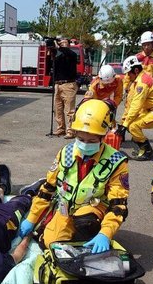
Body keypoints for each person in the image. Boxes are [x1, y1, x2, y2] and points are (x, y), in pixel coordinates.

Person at [19, 99, 130, 253]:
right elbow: (48, 189)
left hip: (92, 212)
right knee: (48, 244)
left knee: (86, 224)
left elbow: (119, 204)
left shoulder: (116, 162)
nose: (85, 144)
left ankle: (92, 234)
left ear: (103, 137)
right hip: (66, 208)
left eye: (91, 141)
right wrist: (31, 219)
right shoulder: (66, 153)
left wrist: (106, 233)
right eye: (81, 139)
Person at [120, 55, 153, 161]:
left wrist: (125, 124)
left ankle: (147, 151)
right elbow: (130, 104)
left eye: (129, 73)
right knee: (130, 124)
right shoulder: (139, 81)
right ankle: (143, 149)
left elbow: (136, 105)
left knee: (133, 126)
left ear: (136, 70)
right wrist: (124, 122)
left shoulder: (142, 82)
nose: (128, 76)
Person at [52, 37, 79, 139]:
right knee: (57, 108)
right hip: (58, 84)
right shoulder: (59, 56)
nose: (61, 43)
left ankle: (71, 131)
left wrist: (59, 46)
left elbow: (67, 52)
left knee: (69, 110)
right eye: (60, 42)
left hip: (69, 84)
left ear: (68, 44)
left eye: (64, 42)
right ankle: (61, 128)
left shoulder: (72, 54)